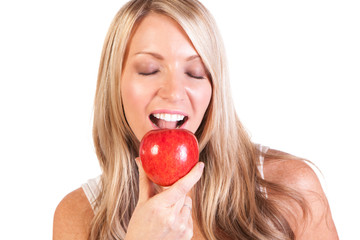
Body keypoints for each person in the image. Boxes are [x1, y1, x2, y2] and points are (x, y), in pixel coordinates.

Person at [53, 0, 338, 239]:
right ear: (115, 83)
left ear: (214, 88)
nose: (174, 92)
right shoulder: (79, 217)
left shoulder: (290, 190)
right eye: (150, 70)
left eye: (195, 73)